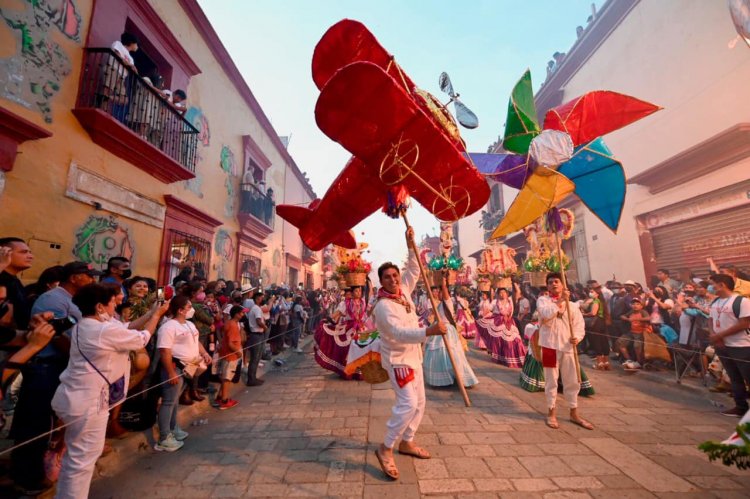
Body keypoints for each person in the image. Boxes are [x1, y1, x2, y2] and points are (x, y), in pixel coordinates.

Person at [51, 283, 165, 499]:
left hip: (75, 396)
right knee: (81, 462)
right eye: (112, 302)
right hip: (88, 401)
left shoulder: (87, 324)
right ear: (100, 307)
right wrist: (157, 316)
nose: (116, 305)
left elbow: (128, 327)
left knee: (75, 458)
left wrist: (152, 312)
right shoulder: (102, 330)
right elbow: (140, 338)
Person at [371, 227, 446, 480]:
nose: (393, 280)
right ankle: (386, 447)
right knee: (408, 404)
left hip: (414, 357)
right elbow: (399, 333)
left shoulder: (403, 292)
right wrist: (430, 331)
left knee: (421, 402)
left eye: (395, 275)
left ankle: (408, 441)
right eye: (388, 277)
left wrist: (410, 243)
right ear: (381, 282)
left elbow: (415, 271)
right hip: (398, 361)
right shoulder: (383, 307)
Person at [537, 272, 593, 431]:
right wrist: (560, 301)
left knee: (572, 380)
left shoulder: (573, 306)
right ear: (547, 286)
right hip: (549, 346)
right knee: (551, 380)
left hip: (568, 347)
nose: (553, 284)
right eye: (550, 282)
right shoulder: (543, 301)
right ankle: (551, 412)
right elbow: (546, 314)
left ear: (563, 284)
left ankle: (574, 412)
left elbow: (579, 326)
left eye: (556, 281)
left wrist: (577, 338)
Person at [156, 296, 212, 451]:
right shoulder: (168, 327)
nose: (191, 309)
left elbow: (197, 341)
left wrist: (204, 353)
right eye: (188, 307)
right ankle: (164, 436)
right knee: (168, 401)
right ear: (180, 310)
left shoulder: (189, 324)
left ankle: (173, 428)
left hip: (190, 367)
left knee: (175, 401)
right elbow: (164, 351)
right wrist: (170, 372)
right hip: (175, 367)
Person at [423, 277, 478, 388]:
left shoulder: (447, 302)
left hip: (447, 330)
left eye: (440, 291)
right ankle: (444, 379)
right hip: (438, 330)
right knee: (439, 354)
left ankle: (458, 377)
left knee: (451, 354)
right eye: (437, 291)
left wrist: (443, 281)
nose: (438, 293)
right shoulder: (437, 304)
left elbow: (444, 290)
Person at [708, 273, 750, 417]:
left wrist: (720, 335)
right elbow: (710, 320)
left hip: (741, 346)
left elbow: (744, 323)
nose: (711, 287)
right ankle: (741, 407)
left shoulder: (741, 301)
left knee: (748, 377)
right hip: (723, 347)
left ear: (722, 285)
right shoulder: (715, 302)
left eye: (713, 284)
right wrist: (714, 335)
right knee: (734, 377)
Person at [481, 288, 527, 368]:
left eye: (504, 292)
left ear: (507, 293)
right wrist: (485, 314)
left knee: (516, 339)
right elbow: (489, 309)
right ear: (498, 294)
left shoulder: (510, 301)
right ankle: (502, 357)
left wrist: (514, 283)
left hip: (509, 322)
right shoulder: (495, 301)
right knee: (499, 341)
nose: (502, 294)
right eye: (500, 293)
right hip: (499, 322)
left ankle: (516, 357)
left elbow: (517, 292)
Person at [0, 238, 33, 329]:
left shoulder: (14, 280)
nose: (31, 256)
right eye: (23, 252)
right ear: (4, 253)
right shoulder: (2, 280)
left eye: (30, 252)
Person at [215, 305, 243, 409]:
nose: (243, 314)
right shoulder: (232, 325)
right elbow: (231, 343)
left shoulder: (230, 323)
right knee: (227, 378)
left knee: (225, 377)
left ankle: (220, 396)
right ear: (236, 314)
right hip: (230, 355)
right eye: (241, 313)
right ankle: (224, 400)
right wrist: (238, 352)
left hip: (226, 353)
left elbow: (220, 332)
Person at [617, 297, 650, 369]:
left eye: (638, 304)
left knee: (637, 346)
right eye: (633, 304)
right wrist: (627, 319)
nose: (635, 305)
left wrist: (636, 319)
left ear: (641, 306)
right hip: (632, 332)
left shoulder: (643, 312)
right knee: (620, 342)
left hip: (641, 333)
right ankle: (629, 360)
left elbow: (648, 318)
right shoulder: (631, 311)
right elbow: (622, 316)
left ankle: (639, 362)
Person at [583, 286, 611, 370]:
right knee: (604, 341)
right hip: (601, 322)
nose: (590, 293)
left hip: (596, 323)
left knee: (596, 342)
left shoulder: (596, 301)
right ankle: (606, 362)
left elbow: (593, 313)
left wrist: (583, 314)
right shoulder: (602, 301)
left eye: (592, 291)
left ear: (597, 294)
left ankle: (599, 363)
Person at [245, 292, 267, 386]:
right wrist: (265, 327)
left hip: (258, 334)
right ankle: (251, 379)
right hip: (256, 334)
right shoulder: (256, 308)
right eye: (262, 298)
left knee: (256, 358)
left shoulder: (256, 308)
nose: (263, 299)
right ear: (258, 298)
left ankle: (253, 377)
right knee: (255, 358)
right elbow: (258, 321)